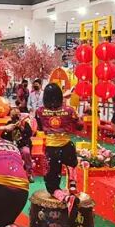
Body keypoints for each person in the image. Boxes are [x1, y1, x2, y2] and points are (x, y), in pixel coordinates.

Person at [35, 82, 82, 211]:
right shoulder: (69, 110)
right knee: (72, 163)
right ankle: (72, 183)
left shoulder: (40, 111)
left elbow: (39, 128)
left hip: (51, 149)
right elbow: (79, 126)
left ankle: (64, 198)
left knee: (51, 182)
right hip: (67, 146)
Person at [2, 108, 36, 181]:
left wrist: (21, 127)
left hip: (23, 145)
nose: (15, 118)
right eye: (13, 116)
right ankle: (9, 174)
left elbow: (29, 134)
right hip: (12, 146)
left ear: (19, 115)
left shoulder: (25, 123)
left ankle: (29, 173)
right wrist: (8, 130)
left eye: (17, 115)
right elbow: (3, 136)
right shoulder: (9, 124)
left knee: (26, 152)